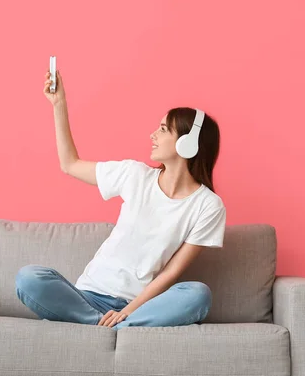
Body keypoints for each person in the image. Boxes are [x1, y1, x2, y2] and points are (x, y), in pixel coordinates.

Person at [14, 69, 226, 331]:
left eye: (162, 129)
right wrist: (59, 104)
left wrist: (127, 311)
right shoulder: (134, 175)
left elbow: (171, 273)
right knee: (29, 278)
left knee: (198, 294)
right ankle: (105, 326)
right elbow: (70, 164)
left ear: (188, 143)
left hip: (139, 305)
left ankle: (107, 326)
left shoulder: (208, 206)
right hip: (87, 297)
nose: (153, 135)